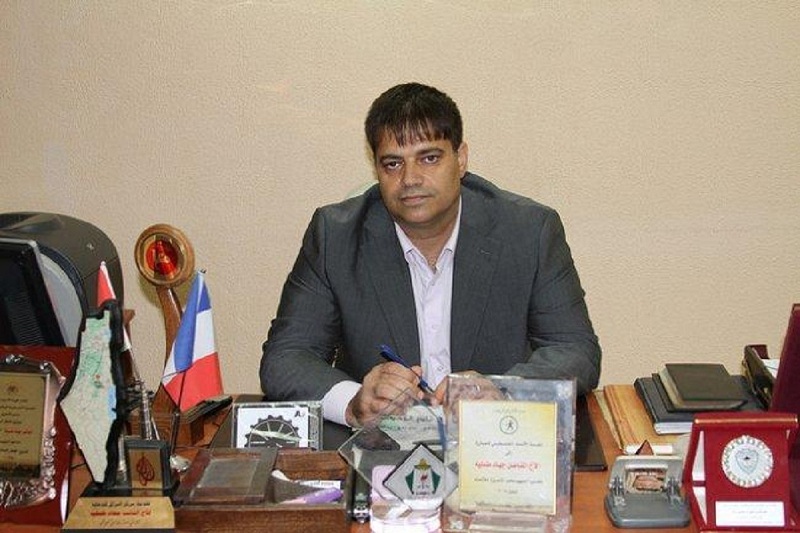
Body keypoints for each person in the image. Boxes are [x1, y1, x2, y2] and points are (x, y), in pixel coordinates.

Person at [260, 82, 601, 428]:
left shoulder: (529, 232)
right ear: (376, 169)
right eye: (393, 163)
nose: (410, 178)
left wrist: (503, 392)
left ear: (461, 159)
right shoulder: (335, 236)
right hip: (379, 447)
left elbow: (576, 350)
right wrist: (354, 402)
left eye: (429, 158)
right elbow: (285, 358)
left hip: (494, 443)